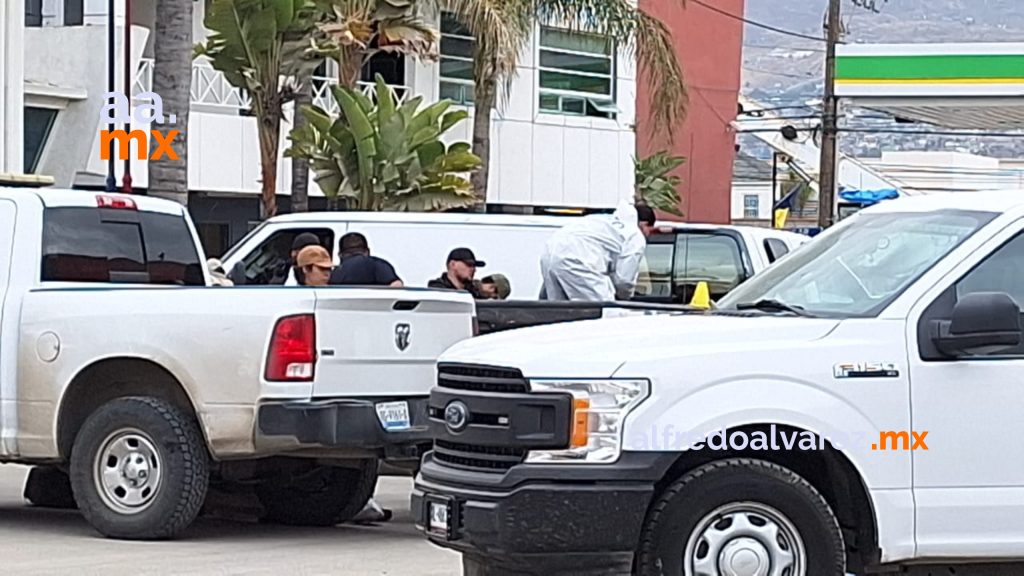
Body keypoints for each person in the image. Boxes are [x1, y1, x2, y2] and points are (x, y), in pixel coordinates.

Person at [539, 201, 656, 301]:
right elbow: (624, 281)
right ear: (644, 224)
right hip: (578, 260)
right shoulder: (634, 235)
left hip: (550, 253)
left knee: (558, 313)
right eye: (649, 231)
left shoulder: (603, 220)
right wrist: (624, 297)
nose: (648, 235)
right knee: (605, 312)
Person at [328, 232, 403, 287]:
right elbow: (397, 285)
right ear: (367, 251)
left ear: (340, 254)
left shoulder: (336, 272)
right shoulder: (378, 264)